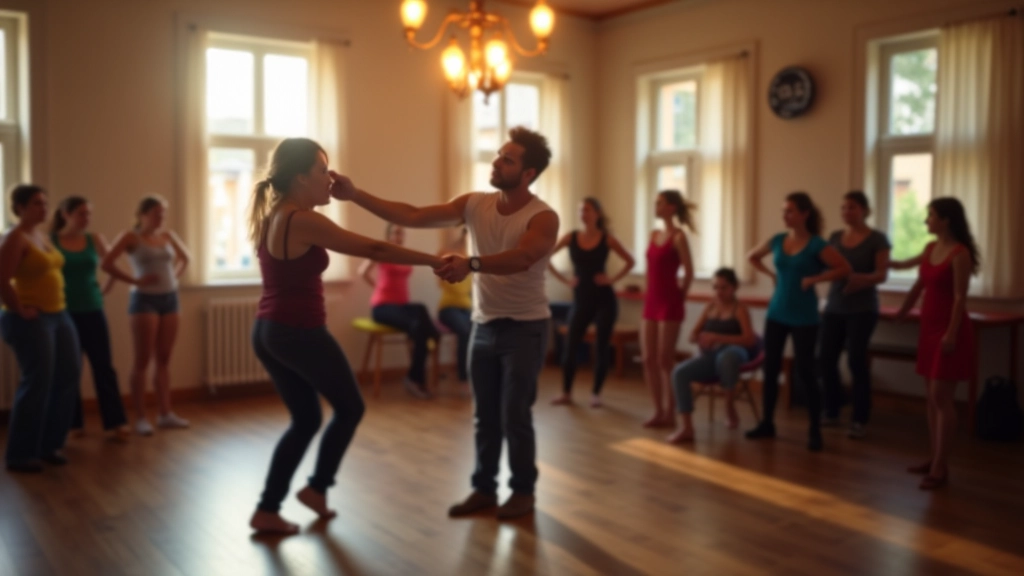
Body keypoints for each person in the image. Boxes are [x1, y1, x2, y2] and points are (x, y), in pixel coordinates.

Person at [332, 126, 558, 520]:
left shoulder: (543, 217)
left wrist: (469, 264)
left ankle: (523, 492)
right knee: (484, 416)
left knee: (515, 415)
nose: (496, 161)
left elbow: (523, 257)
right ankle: (484, 489)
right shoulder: (475, 204)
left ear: (528, 174)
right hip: (484, 325)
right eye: (498, 154)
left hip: (526, 328)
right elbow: (412, 215)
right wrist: (355, 195)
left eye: (508, 159)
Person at [247, 138, 443, 535]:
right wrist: (435, 261)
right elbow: (373, 247)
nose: (330, 177)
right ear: (301, 177)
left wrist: (352, 196)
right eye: (323, 170)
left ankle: (270, 508)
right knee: (349, 408)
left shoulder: (275, 216)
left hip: (269, 330)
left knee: (305, 420)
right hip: (297, 332)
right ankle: (317, 488)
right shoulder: (301, 218)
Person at [745, 192, 851, 451]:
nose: (785, 215)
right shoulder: (778, 240)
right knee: (771, 369)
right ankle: (767, 423)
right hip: (777, 312)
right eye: (784, 210)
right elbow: (752, 256)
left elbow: (844, 269)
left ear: (805, 214)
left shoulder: (817, 245)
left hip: (805, 316)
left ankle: (815, 430)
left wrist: (815, 280)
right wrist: (770, 275)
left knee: (805, 371)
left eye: (790, 211)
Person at [893, 197, 979, 490]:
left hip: (948, 329)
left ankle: (941, 466)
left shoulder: (959, 253)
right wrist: (903, 310)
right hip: (928, 328)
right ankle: (934, 457)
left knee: (942, 397)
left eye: (930, 215)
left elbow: (960, 298)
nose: (926, 221)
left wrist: (952, 333)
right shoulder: (930, 249)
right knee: (931, 397)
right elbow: (919, 285)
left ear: (946, 220)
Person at [0, 185, 81, 472]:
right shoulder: (14, 238)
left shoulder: (42, 236)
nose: (44, 209)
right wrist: (19, 309)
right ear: (20, 207)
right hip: (31, 319)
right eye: (36, 203)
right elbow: (3, 280)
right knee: (37, 382)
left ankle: (48, 445)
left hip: (59, 314)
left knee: (69, 375)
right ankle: (20, 454)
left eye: (45, 203)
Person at [102, 196, 191, 436]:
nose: (161, 217)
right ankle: (140, 416)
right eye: (156, 212)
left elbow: (186, 258)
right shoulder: (130, 237)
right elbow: (107, 264)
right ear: (142, 214)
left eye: (163, 212)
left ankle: (165, 413)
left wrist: (174, 278)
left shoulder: (168, 236)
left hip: (170, 299)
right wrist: (135, 280)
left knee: (163, 358)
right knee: (142, 360)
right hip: (144, 300)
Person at [52, 196, 130, 440]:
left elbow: (110, 265)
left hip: (93, 310)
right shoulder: (52, 241)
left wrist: (105, 288)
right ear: (66, 214)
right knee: (69, 369)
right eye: (81, 214)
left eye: (88, 214)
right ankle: (73, 423)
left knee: (103, 367)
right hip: (63, 312)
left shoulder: (93, 239)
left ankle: (115, 422)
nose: (86, 219)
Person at [548, 197, 635, 407]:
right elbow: (546, 257)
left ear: (597, 213)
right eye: (580, 210)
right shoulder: (571, 237)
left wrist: (612, 279)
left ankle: (596, 394)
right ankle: (566, 392)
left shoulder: (607, 239)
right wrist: (566, 280)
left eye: (586, 210)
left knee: (602, 345)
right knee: (570, 346)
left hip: (605, 300)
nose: (583, 214)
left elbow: (630, 261)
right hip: (581, 300)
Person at [819, 191, 890, 439]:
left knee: (856, 362)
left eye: (851, 207)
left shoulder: (877, 239)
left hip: (862, 310)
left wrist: (860, 280)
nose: (846, 212)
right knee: (826, 359)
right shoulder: (835, 237)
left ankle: (860, 418)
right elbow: (829, 267)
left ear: (864, 210)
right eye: (843, 208)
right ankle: (832, 410)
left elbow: (882, 275)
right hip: (834, 307)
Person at [666, 268, 759, 443]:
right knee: (679, 372)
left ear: (734, 287)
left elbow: (749, 340)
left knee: (726, 358)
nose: (719, 292)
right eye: (715, 287)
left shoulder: (740, 309)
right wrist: (701, 339)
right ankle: (687, 428)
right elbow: (692, 336)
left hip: (735, 352)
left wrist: (718, 337)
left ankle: (729, 406)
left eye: (724, 288)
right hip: (711, 356)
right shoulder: (709, 307)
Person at [359, 223, 440, 399]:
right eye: (396, 233)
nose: (399, 236)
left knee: (421, 309)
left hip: (401, 305)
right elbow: (362, 271)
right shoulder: (382, 252)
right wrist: (378, 288)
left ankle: (430, 340)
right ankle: (415, 379)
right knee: (419, 327)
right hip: (382, 308)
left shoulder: (405, 255)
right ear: (388, 235)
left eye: (401, 233)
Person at [640, 190, 695, 428]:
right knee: (648, 358)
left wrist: (680, 298)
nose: (656, 206)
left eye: (660, 203)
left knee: (665, 359)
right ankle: (658, 410)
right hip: (651, 300)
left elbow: (689, 272)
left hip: (669, 301)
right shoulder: (654, 234)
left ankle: (671, 412)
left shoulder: (679, 236)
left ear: (671, 207)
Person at [437, 227, 472, 390]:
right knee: (465, 331)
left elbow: (472, 290)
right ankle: (463, 377)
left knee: (480, 329)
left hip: (467, 308)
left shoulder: (472, 260)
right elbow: (448, 283)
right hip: (448, 308)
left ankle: (477, 374)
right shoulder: (446, 255)